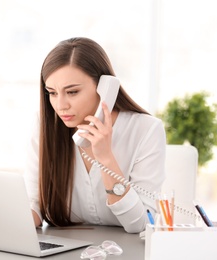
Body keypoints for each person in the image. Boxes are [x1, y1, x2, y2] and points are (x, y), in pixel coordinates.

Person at [24, 37, 166, 233]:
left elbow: (140, 224)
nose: (60, 105)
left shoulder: (146, 130)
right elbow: (34, 202)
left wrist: (106, 159)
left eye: (72, 92)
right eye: (52, 93)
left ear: (104, 87)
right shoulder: (44, 124)